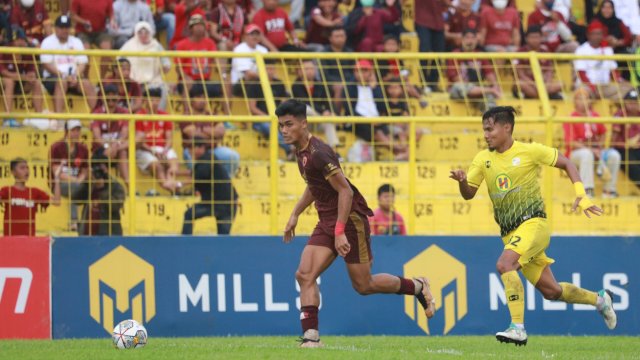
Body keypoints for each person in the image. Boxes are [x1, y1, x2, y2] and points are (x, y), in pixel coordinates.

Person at [449, 106, 617, 346]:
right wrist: (463, 182)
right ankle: (600, 300)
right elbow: (468, 195)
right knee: (552, 292)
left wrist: (582, 193)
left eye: (490, 129)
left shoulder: (529, 151)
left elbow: (568, 163)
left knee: (505, 264)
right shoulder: (482, 159)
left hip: (534, 223)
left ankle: (517, 327)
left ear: (506, 127)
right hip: (511, 234)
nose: (486, 134)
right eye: (484, 130)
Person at [278, 99, 435, 347]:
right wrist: (295, 213)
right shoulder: (301, 152)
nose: (284, 130)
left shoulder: (319, 153)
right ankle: (311, 337)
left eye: (289, 124)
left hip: (349, 220)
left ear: (304, 123)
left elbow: (346, 192)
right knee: (304, 274)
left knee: (364, 285)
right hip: (327, 219)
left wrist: (340, 231)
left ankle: (416, 286)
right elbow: (314, 185)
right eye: (280, 126)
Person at [565, 88, 621, 198]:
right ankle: (587, 190)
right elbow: (571, 142)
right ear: (575, 101)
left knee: (614, 155)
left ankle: (609, 191)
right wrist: (592, 150)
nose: (584, 102)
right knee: (586, 154)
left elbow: (603, 132)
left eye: (586, 99)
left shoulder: (594, 115)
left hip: (595, 151)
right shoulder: (571, 117)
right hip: (575, 154)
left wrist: (599, 148)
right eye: (580, 99)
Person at [40, 15, 97, 115]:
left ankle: (97, 118)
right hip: (53, 78)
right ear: (55, 28)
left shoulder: (76, 41)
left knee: (87, 84)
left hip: (73, 77)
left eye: (67, 27)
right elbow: (46, 64)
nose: (64, 30)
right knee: (62, 82)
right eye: (61, 28)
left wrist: (75, 76)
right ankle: (58, 118)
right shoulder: (47, 42)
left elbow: (82, 63)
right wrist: (64, 76)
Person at [182, 136, 238, 235]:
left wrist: (178, 183)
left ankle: (185, 243)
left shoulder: (206, 160)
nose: (189, 151)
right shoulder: (207, 159)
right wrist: (176, 173)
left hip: (218, 203)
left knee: (189, 214)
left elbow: (196, 176)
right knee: (223, 237)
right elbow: (195, 173)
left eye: (191, 148)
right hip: (228, 202)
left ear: (201, 148)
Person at [182, 84, 240, 177]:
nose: (202, 100)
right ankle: (198, 189)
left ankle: (224, 183)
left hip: (213, 149)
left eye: (204, 98)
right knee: (199, 170)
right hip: (193, 150)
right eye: (199, 97)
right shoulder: (186, 116)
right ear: (191, 100)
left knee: (233, 157)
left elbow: (221, 132)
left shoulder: (212, 114)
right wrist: (212, 133)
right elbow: (194, 135)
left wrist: (202, 129)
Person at [135, 87, 182, 194]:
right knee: (157, 166)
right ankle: (172, 188)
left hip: (162, 148)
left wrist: (165, 151)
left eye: (157, 100)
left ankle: (171, 184)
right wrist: (154, 152)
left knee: (173, 163)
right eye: (151, 100)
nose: (154, 103)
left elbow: (169, 138)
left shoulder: (165, 116)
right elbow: (139, 141)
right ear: (145, 100)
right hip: (146, 149)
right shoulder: (139, 116)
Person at [0, 158, 61, 236]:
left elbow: (57, 202)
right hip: (11, 239)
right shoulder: (6, 190)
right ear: (13, 172)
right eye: (22, 168)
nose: (26, 171)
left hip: (29, 240)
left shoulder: (34, 192)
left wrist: (57, 178)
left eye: (27, 168)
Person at [574, 20, 633, 101]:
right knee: (583, 95)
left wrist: (621, 81)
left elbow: (614, 71)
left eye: (599, 34)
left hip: (604, 86)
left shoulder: (607, 49)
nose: (597, 36)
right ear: (588, 35)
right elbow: (581, 74)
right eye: (594, 34)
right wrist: (593, 88)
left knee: (630, 89)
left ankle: (612, 103)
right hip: (586, 85)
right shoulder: (581, 50)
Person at [120, 21, 172, 111]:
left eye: (146, 32)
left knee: (162, 90)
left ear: (150, 32)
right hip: (132, 81)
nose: (143, 35)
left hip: (153, 81)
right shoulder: (129, 45)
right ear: (136, 33)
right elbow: (119, 60)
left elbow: (166, 63)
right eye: (140, 32)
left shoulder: (156, 46)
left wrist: (165, 67)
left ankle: (158, 116)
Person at [50, 120, 90, 232]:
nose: (76, 133)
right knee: (75, 188)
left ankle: (86, 221)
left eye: (78, 130)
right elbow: (56, 171)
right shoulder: (56, 147)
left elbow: (85, 169)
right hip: (59, 183)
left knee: (90, 189)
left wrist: (80, 179)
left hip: (76, 181)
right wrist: (75, 180)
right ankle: (73, 221)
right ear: (66, 131)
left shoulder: (83, 149)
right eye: (73, 130)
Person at [1, 27, 46, 128]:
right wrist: (23, 77)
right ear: (13, 40)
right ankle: (7, 117)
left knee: (37, 83)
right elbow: (4, 72)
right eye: (18, 40)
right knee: (9, 82)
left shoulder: (27, 50)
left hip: (20, 82)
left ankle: (38, 117)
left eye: (22, 39)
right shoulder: (4, 50)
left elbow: (31, 69)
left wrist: (31, 75)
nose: (21, 42)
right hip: (3, 83)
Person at [446, 29, 500, 112]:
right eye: (467, 38)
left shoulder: (480, 55)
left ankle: (491, 120)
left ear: (476, 40)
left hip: (478, 90)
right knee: (458, 87)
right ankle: (488, 91)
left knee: (489, 98)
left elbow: (489, 74)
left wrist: (495, 85)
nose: (470, 41)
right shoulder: (454, 54)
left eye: (473, 38)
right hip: (459, 91)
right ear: (462, 39)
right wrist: (488, 89)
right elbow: (456, 79)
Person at [175, 14, 224, 104]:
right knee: (187, 83)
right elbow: (178, 67)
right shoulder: (182, 45)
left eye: (201, 25)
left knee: (226, 84)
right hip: (189, 81)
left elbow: (216, 60)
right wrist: (186, 77)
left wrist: (223, 75)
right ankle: (186, 112)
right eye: (196, 25)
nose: (199, 28)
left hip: (205, 81)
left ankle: (227, 116)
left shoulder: (210, 43)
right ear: (190, 28)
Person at [291, 59, 339, 149]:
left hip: (318, 120)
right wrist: (323, 111)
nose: (309, 71)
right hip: (305, 121)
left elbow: (328, 102)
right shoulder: (296, 86)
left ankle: (334, 151)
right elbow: (304, 102)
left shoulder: (320, 85)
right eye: (306, 69)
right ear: (299, 71)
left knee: (329, 122)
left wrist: (329, 112)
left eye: (311, 69)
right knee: (305, 108)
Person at [91, 84, 130, 186]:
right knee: (122, 152)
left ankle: (128, 183)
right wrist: (108, 146)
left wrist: (115, 145)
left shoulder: (124, 112)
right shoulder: (97, 113)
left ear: (118, 98)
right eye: (108, 100)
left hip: (117, 147)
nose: (111, 103)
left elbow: (124, 133)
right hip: (101, 149)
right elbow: (97, 137)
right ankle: (128, 185)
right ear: (104, 98)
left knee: (125, 149)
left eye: (114, 100)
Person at [78, 153, 126, 236]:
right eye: (96, 167)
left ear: (107, 168)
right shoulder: (88, 183)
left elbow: (115, 206)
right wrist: (83, 180)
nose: (98, 171)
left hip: (109, 233)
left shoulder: (115, 185)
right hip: (87, 234)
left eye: (101, 167)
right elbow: (76, 200)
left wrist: (102, 189)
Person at [513, 26, 563, 99]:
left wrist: (545, 84)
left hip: (543, 85)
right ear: (526, 39)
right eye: (532, 37)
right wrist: (535, 84)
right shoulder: (520, 52)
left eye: (537, 37)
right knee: (519, 84)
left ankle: (534, 96)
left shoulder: (545, 51)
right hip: (528, 84)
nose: (535, 40)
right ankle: (543, 96)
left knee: (561, 84)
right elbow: (520, 74)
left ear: (541, 38)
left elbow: (549, 71)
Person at [414, 0, 447, 90]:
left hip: (438, 22)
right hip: (422, 21)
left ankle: (433, 83)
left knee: (439, 54)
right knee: (424, 50)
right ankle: (423, 82)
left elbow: (447, 3)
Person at [612, 89, 640, 188]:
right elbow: (614, 140)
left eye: (635, 102)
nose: (633, 105)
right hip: (623, 148)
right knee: (631, 164)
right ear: (625, 103)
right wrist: (627, 144)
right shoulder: (619, 114)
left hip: (637, 148)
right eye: (630, 102)